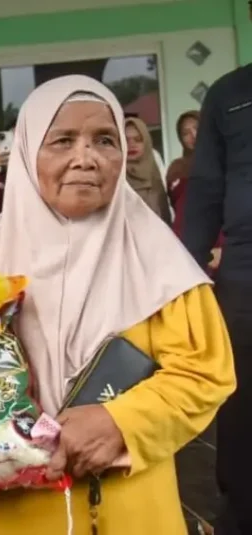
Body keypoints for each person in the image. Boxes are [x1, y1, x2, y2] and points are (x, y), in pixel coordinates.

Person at [0, 75, 235, 534]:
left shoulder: (159, 259)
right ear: (25, 153)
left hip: (123, 510)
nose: (85, 158)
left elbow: (205, 371)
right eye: (62, 141)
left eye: (105, 140)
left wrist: (119, 422)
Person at [182, 54, 252, 534]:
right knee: (241, 393)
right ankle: (242, 514)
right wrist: (185, 270)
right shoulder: (228, 93)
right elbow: (205, 188)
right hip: (246, 265)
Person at [168, 111, 223, 273]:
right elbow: (176, 206)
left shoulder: (222, 162)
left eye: (197, 128)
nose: (193, 135)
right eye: (185, 133)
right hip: (184, 246)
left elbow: (229, 208)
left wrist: (222, 246)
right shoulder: (176, 168)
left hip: (217, 248)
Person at [124, 116, 171, 223]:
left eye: (138, 140)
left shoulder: (154, 162)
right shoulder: (115, 172)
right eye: (126, 140)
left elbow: (164, 206)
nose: (132, 145)